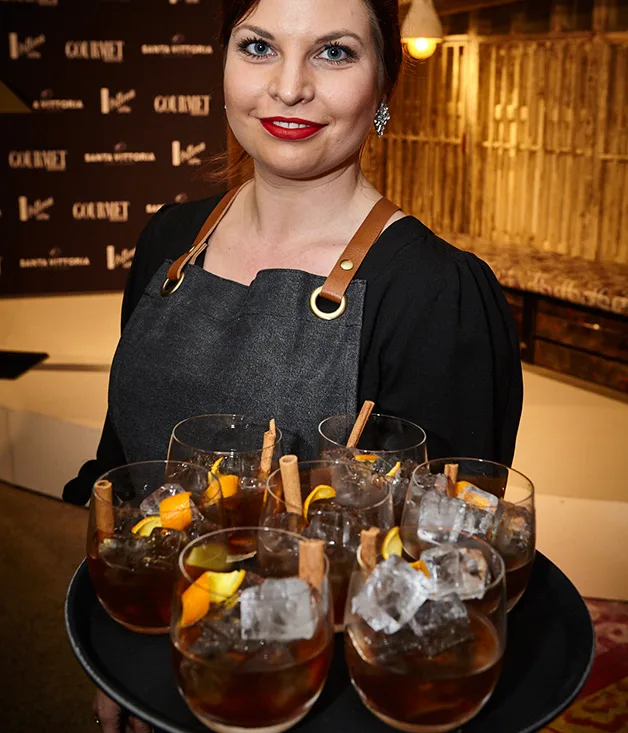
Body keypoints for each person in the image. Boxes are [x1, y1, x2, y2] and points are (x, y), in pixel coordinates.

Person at [64, 0, 523, 730]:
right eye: (258, 47)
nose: (288, 86)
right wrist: (126, 662)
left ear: (384, 83)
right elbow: (124, 482)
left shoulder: (436, 293)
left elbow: (446, 580)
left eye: (334, 52)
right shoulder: (169, 241)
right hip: (165, 656)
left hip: (321, 701)